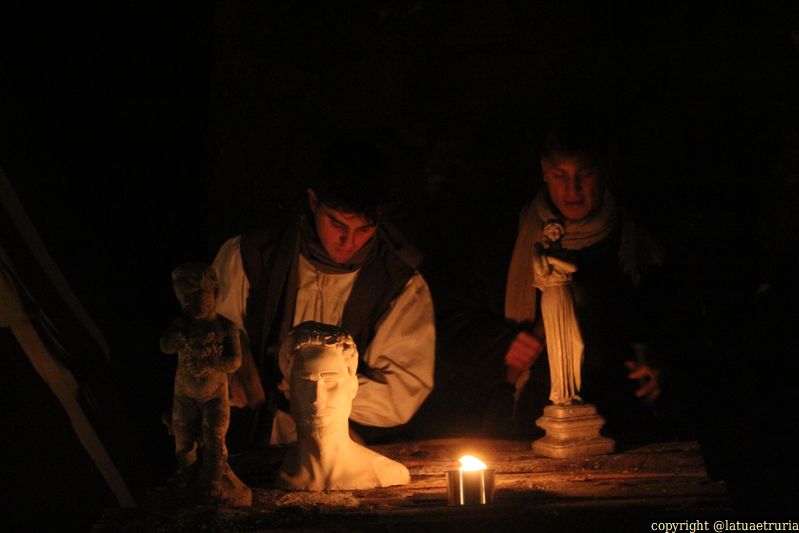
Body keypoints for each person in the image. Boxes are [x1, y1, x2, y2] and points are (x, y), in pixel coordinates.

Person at [438, 111, 667, 441]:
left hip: (618, 425)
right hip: (523, 425)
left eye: (584, 175)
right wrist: (504, 342)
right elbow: (454, 322)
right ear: (544, 170)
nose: (572, 189)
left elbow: (669, 324)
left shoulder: (637, 248)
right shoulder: (506, 242)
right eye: (560, 175)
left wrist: (659, 367)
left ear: (605, 171)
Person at [212, 140, 435, 447]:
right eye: (337, 223)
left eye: (364, 229)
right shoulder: (251, 255)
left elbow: (403, 391)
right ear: (314, 201)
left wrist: (313, 391)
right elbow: (216, 338)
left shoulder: (399, 283)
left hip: (348, 443)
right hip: (248, 443)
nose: (348, 241)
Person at [275, 321, 410, 490]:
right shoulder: (278, 473)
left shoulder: (384, 473)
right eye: (305, 384)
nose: (317, 398)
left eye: (330, 382)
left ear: (353, 387)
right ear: (287, 389)